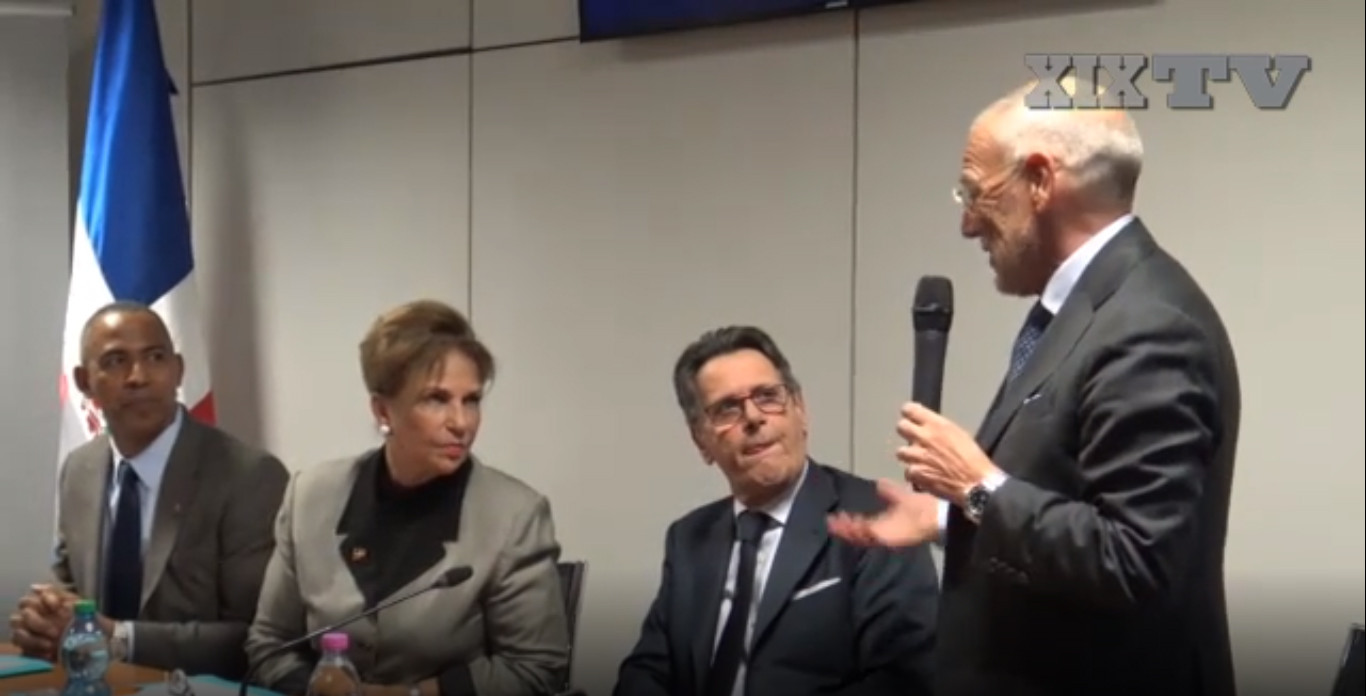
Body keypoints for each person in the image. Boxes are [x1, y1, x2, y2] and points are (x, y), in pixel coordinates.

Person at [828, 78, 1241, 696]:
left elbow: (1134, 561)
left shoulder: (1151, 324)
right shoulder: (1089, 310)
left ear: (1041, 181)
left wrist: (975, 487)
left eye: (976, 192)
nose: (968, 223)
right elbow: (1063, 500)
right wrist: (947, 517)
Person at [245, 299, 571, 696]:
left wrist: (404, 695)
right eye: (436, 399)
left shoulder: (514, 516)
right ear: (383, 411)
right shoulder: (310, 497)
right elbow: (269, 644)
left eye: (471, 400)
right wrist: (319, 689)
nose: (461, 422)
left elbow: (534, 669)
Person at [614, 326, 938, 696]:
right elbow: (648, 669)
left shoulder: (881, 520)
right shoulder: (689, 537)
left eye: (768, 396)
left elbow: (904, 680)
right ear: (701, 439)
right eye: (728, 408)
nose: (753, 417)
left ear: (800, 410)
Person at [7, 301, 290, 679]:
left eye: (155, 357)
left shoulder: (247, 476)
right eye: (115, 361)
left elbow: (256, 639)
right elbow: (67, 594)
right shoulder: (80, 469)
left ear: (178, 371)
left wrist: (120, 639)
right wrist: (44, 621)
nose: (138, 377)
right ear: (84, 381)